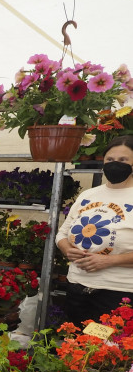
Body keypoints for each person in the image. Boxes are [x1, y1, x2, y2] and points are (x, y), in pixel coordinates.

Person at [56, 135, 133, 326]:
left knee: (110, 351)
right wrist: (67, 249)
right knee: (76, 346)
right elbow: (62, 234)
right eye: (110, 160)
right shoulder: (88, 195)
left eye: (123, 160)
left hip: (119, 293)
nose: (115, 164)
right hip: (77, 287)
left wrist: (109, 260)